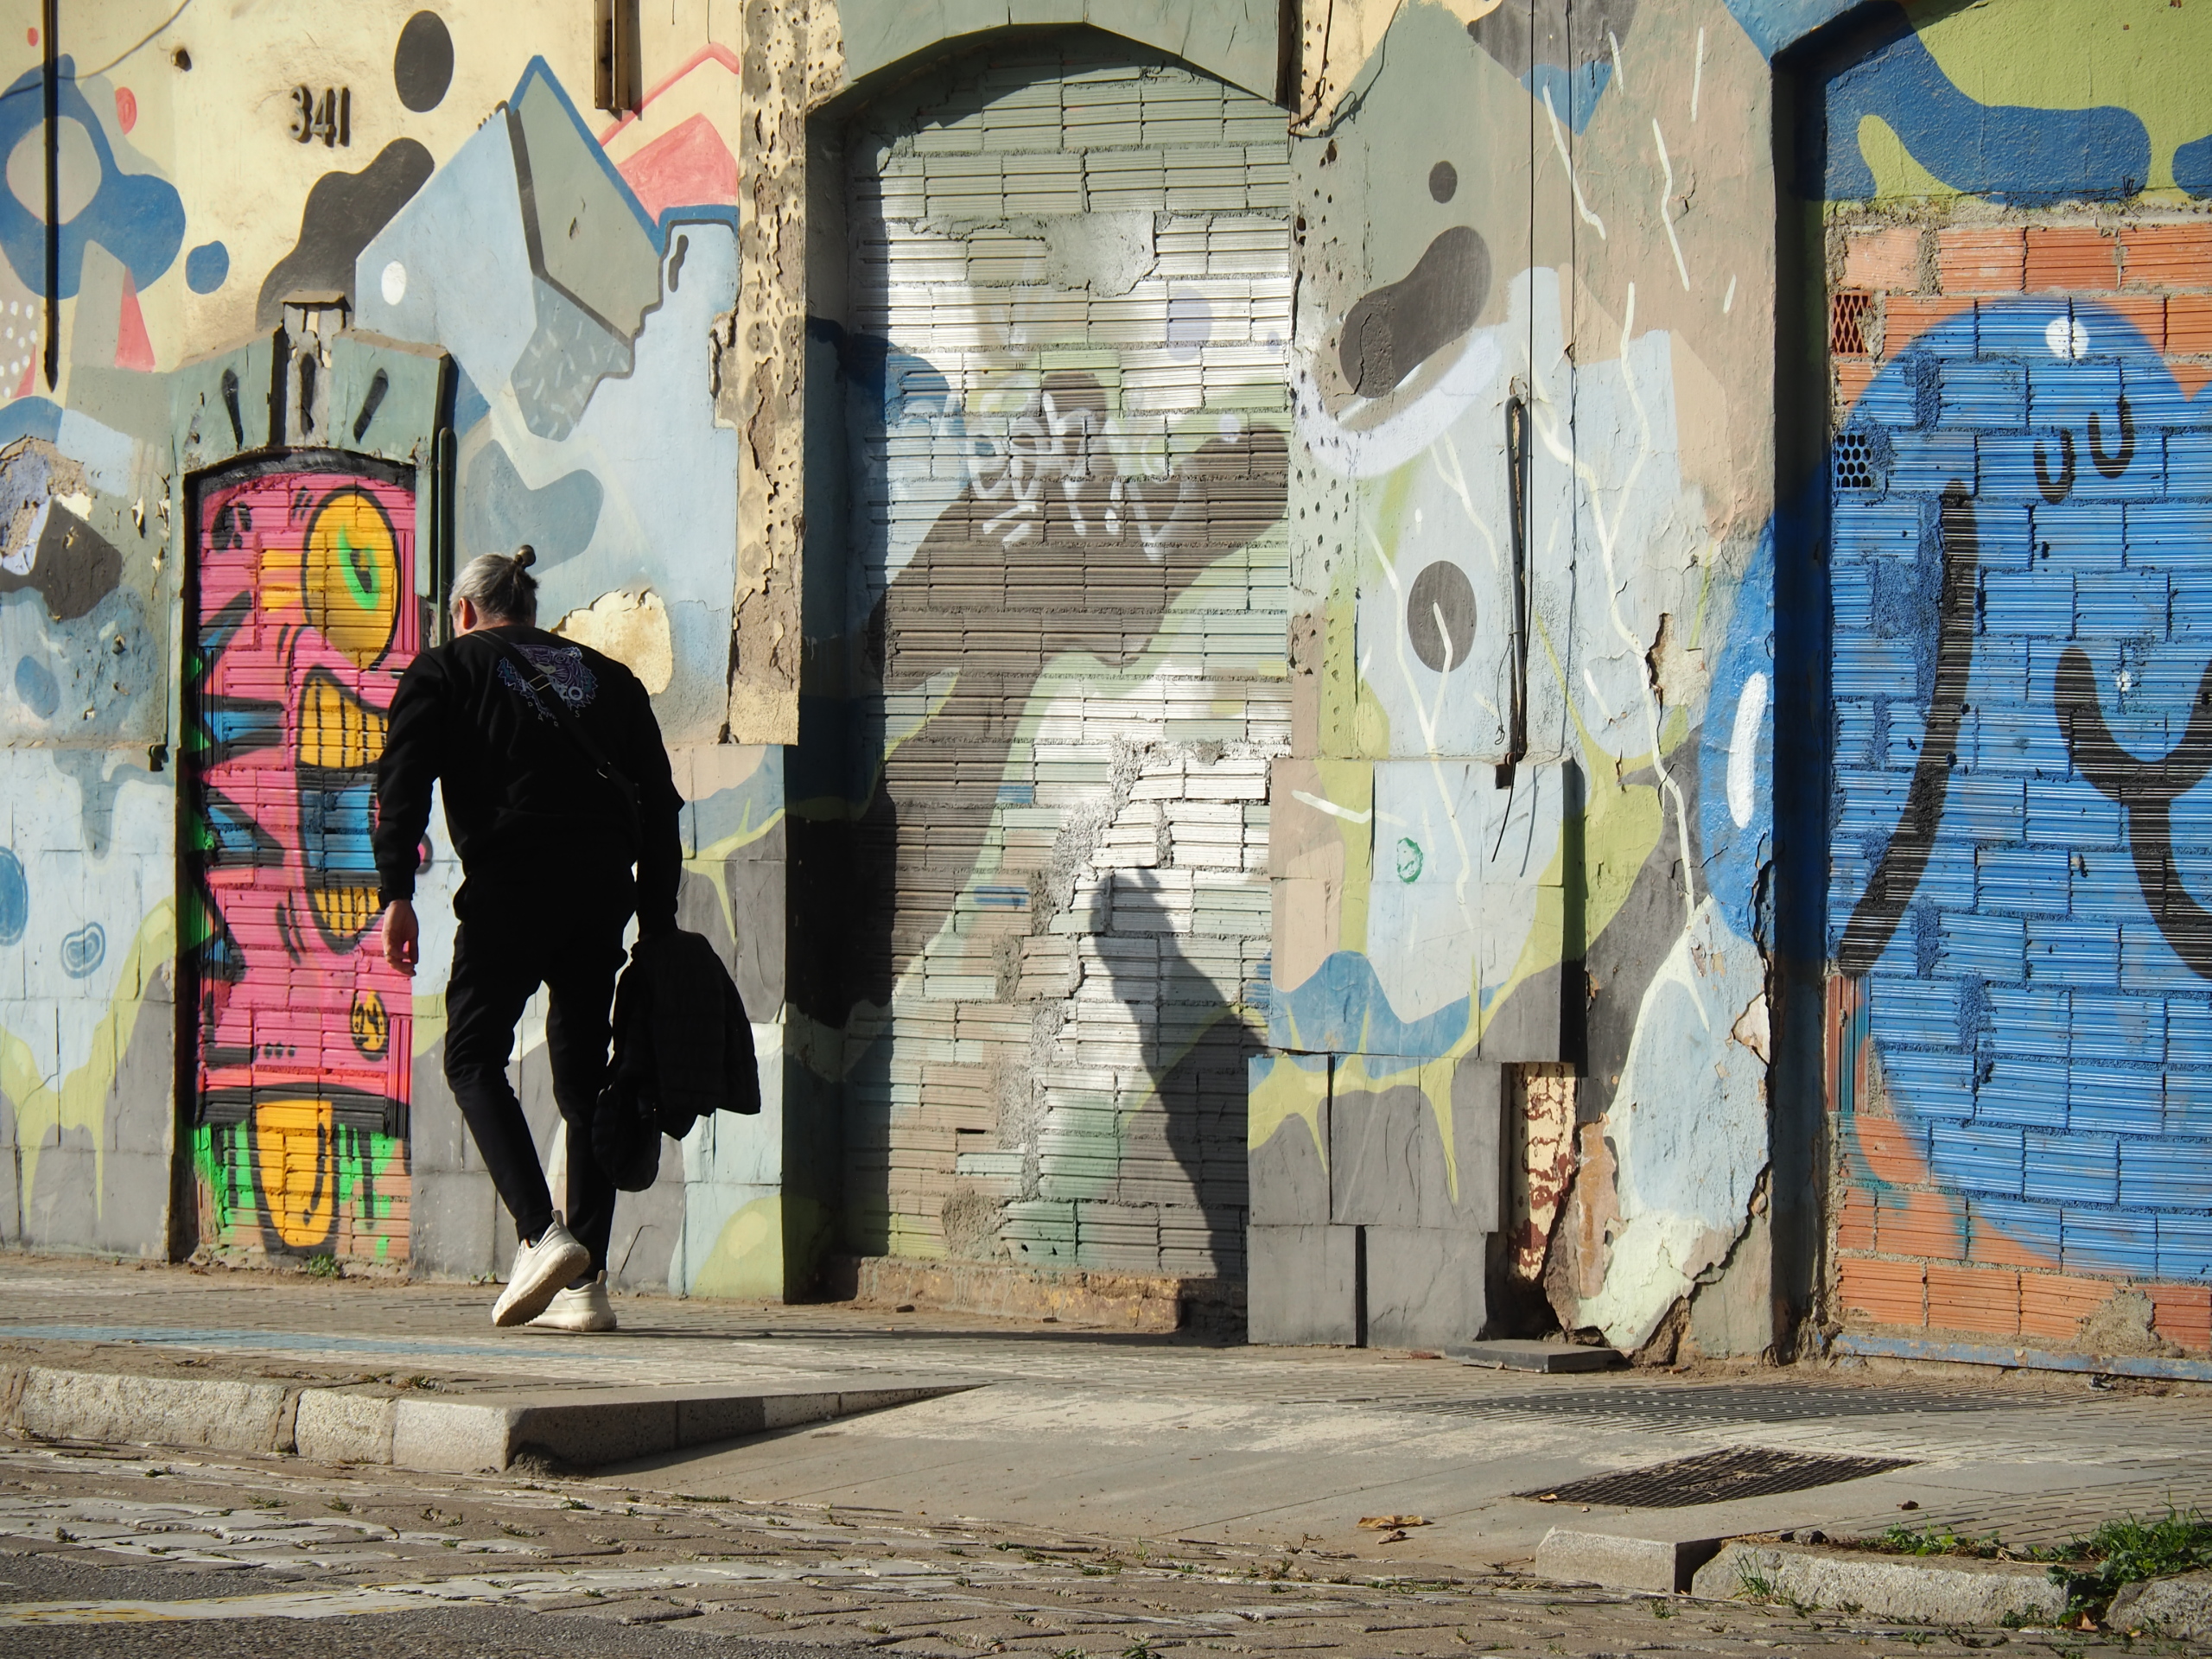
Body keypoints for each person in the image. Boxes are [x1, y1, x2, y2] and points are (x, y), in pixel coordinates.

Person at [373, 547, 682, 1332]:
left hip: (510, 889)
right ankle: (587, 1288)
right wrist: (657, 923)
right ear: (530, 608)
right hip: (600, 896)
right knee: (584, 1082)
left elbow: (401, 785)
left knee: (471, 1056)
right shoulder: (610, 679)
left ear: (465, 611)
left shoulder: (446, 669)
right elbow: (661, 807)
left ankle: (542, 1235)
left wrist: (396, 894)